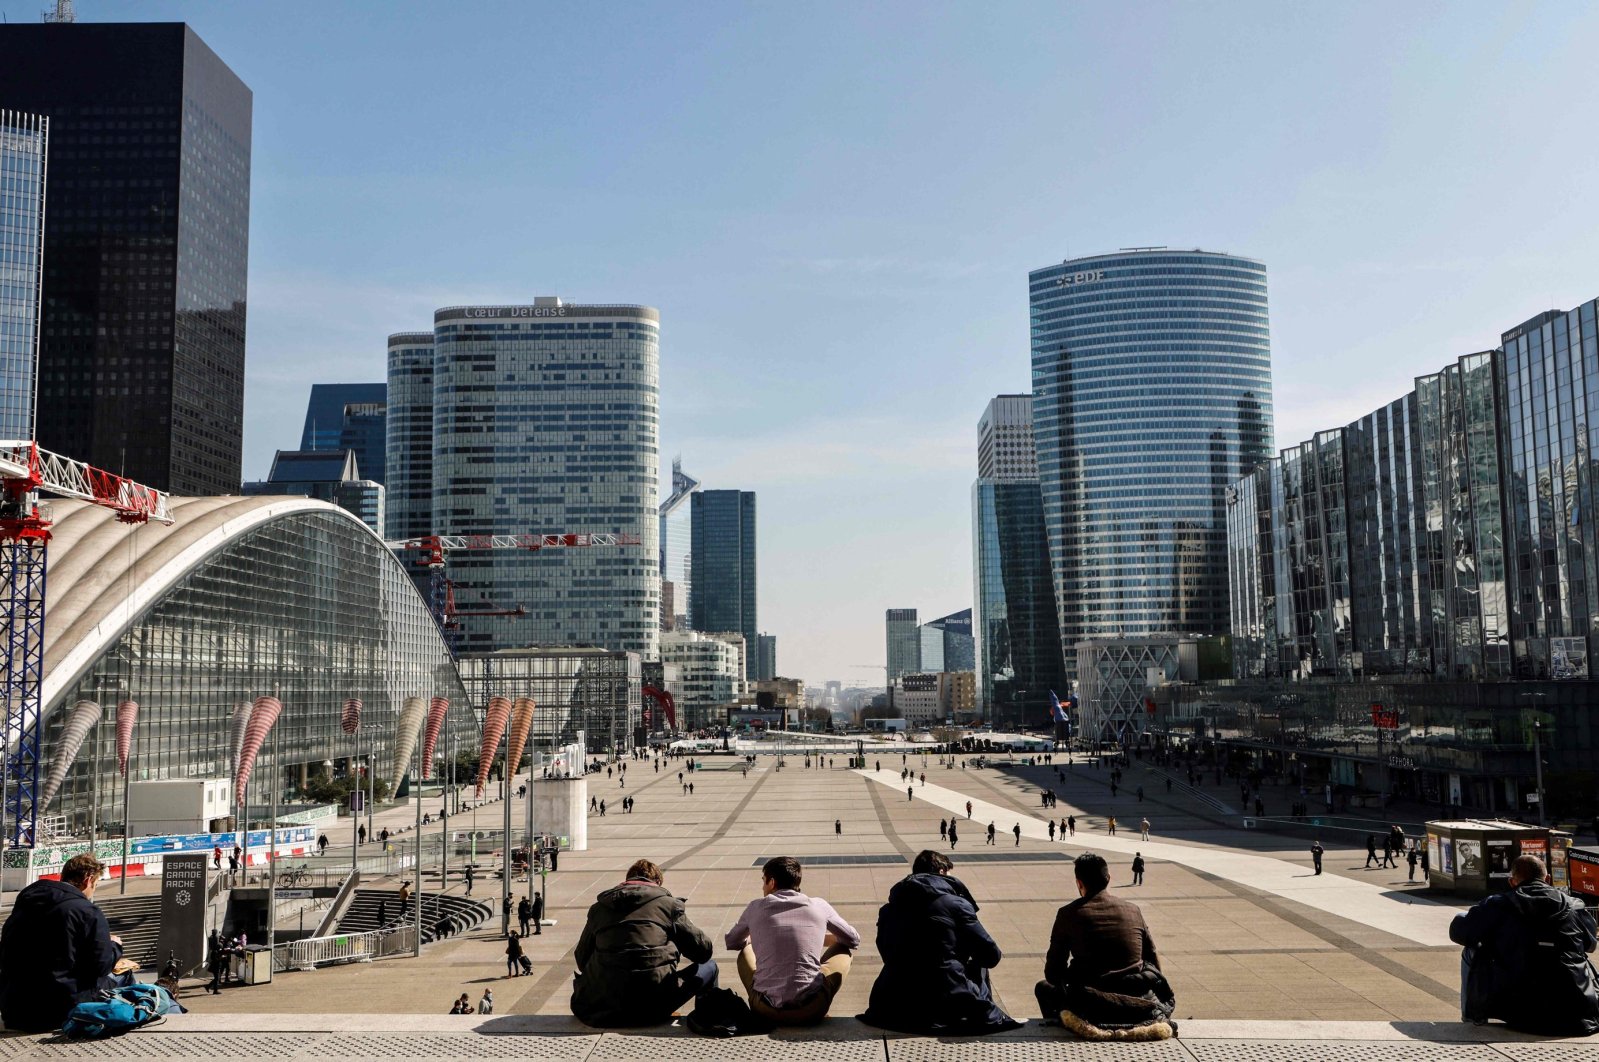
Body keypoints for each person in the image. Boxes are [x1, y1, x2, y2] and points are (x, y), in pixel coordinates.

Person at [861, 850, 1022, 1035]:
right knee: (979, 962)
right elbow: (990, 955)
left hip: (891, 1002)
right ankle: (979, 1012)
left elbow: (886, 951)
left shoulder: (889, 908)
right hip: (945, 1002)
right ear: (942, 871)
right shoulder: (955, 904)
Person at [1450, 854, 1599, 1035]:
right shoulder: (1573, 906)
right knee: (1579, 955)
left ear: (1512, 882)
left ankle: (1472, 1018)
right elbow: (1590, 945)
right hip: (1574, 1014)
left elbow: (1461, 933)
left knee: (1471, 951)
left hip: (1519, 1011)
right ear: (1548, 879)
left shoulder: (1498, 904)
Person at [1034, 852, 1175, 1037]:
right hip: (1137, 1002)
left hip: (1093, 1006)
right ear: (1108, 878)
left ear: (1079, 883)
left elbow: (1053, 973)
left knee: (1043, 988)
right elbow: (1153, 959)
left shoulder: (1068, 914)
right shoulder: (1133, 910)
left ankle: (1066, 1028)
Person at [570, 858, 718, 1027]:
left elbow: (581, 959)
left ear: (626, 881)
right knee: (710, 967)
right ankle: (707, 1021)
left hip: (603, 1008)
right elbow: (703, 952)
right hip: (654, 1006)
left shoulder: (598, 909)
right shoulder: (668, 906)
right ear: (658, 882)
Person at [0, 854, 127, 1032]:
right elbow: (101, 966)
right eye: (95, 886)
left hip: (16, 1011)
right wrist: (115, 946)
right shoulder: (87, 911)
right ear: (88, 880)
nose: (92, 891)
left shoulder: (26, 904)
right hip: (61, 1012)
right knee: (123, 975)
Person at [726, 856, 860, 1025]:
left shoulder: (755, 907)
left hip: (765, 1011)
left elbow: (732, 942)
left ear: (772, 882)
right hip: (812, 1010)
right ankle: (815, 997)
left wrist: (757, 937)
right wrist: (819, 937)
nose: (763, 887)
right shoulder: (818, 905)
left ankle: (764, 994)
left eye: (763, 881)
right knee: (843, 950)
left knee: (746, 950)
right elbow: (853, 939)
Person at [206, 928, 228, 994]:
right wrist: (221, 958)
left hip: (216, 965)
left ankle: (211, 988)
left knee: (217, 978)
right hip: (215, 966)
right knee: (217, 978)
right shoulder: (215, 951)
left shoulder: (212, 939)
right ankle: (211, 988)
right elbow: (216, 959)